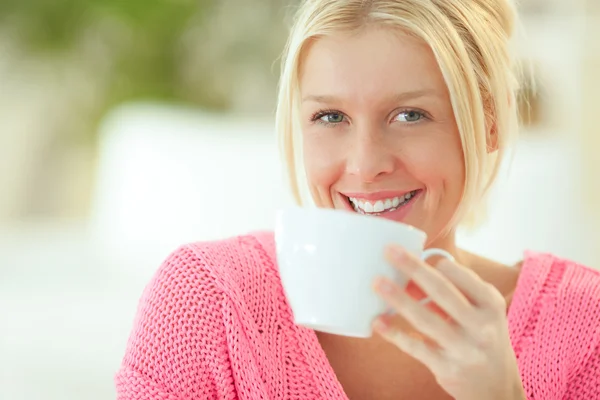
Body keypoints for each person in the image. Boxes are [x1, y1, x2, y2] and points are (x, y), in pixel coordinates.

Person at [115, 1, 600, 399]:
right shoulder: (206, 303)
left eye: (410, 115)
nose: (366, 165)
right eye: (330, 117)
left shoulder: (586, 327)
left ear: (489, 121)